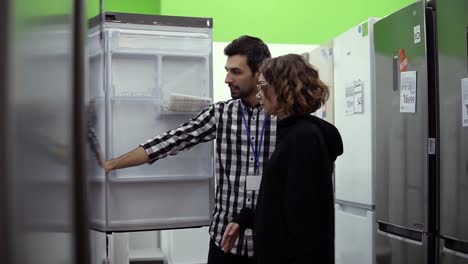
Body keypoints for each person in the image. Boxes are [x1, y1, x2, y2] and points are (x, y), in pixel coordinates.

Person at [103, 35, 276, 264]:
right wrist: (112, 164)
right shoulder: (221, 114)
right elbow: (170, 141)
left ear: (259, 73)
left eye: (236, 72)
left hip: (271, 243)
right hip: (224, 243)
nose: (227, 79)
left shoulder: (281, 117)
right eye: (227, 71)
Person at [220, 54, 343, 264]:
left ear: (283, 87)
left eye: (262, 87)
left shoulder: (304, 138)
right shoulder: (293, 133)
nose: (259, 96)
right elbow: (283, 202)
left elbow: (306, 222)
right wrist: (247, 218)